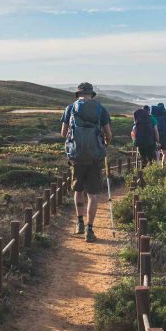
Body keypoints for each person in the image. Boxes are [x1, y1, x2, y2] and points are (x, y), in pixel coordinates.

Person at [60, 82, 113, 242]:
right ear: (92, 94)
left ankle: (80, 223)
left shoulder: (70, 108)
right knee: (93, 194)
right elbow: (109, 134)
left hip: (77, 156)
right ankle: (90, 229)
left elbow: (63, 133)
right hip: (95, 157)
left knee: (78, 190)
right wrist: (103, 143)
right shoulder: (100, 109)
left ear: (78, 94)